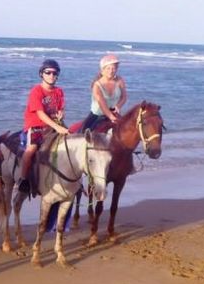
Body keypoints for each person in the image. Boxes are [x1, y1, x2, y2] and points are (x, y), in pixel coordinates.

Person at [18, 59, 69, 194]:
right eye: (48, 72)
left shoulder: (59, 91)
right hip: (36, 126)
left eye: (54, 73)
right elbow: (40, 114)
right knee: (31, 149)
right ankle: (23, 179)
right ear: (42, 74)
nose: (52, 75)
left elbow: (61, 108)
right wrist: (57, 127)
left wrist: (61, 114)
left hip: (53, 125)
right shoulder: (36, 91)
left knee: (71, 143)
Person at [79, 54, 128, 132]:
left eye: (113, 68)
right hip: (97, 116)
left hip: (114, 113)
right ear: (102, 70)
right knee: (83, 136)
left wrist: (118, 106)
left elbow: (124, 97)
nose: (111, 71)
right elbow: (102, 105)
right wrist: (112, 118)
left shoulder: (120, 80)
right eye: (108, 68)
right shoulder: (97, 85)